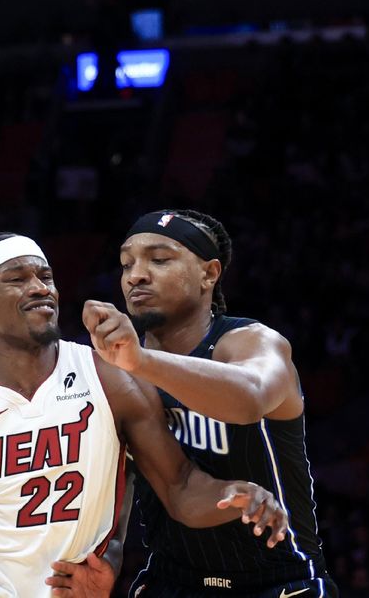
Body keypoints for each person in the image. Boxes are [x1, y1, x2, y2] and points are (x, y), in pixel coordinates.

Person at [0, 232, 288, 598]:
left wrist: (236, 494)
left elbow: (180, 487)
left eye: (45, 276)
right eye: (18, 278)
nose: (40, 288)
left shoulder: (111, 379)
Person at [80, 209, 337, 597]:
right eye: (126, 263)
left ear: (209, 274)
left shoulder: (251, 342)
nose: (136, 275)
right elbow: (119, 493)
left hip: (280, 582)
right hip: (170, 582)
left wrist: (141, 362)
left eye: (160, 259)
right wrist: (108, 564)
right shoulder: (118, 372)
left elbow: (250, 397)